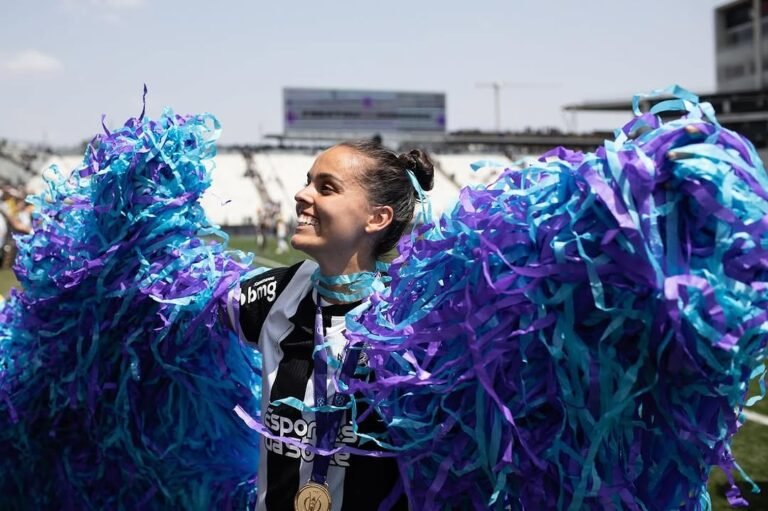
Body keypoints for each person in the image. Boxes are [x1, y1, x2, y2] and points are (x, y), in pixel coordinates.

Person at [229, 140, 434, 511]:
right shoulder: (277, 293)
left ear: (377, 218)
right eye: (308, 181)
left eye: (326, 188)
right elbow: (177, 307)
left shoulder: (412, 320)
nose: (301, 194)